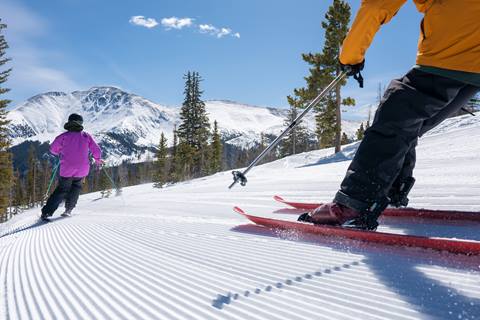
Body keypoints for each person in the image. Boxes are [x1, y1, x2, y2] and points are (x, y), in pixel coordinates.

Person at [298, 0, 480, 230]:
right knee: (409, 121)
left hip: (451, 54)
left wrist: (350, 57)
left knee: (395, 118)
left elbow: (375, 6)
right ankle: (394, 187)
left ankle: (353, 204)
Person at [40, 113, 102, 221]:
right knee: (76, 188)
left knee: (62, 190)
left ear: (69, 123)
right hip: (82, 169)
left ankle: (47, 212)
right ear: (81, 123)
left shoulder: (63, 136)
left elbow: (53, 149)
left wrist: (61, 151)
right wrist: (97, 159)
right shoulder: (86, 136)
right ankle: (68, 210)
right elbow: (96, 150)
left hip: (67, 168)